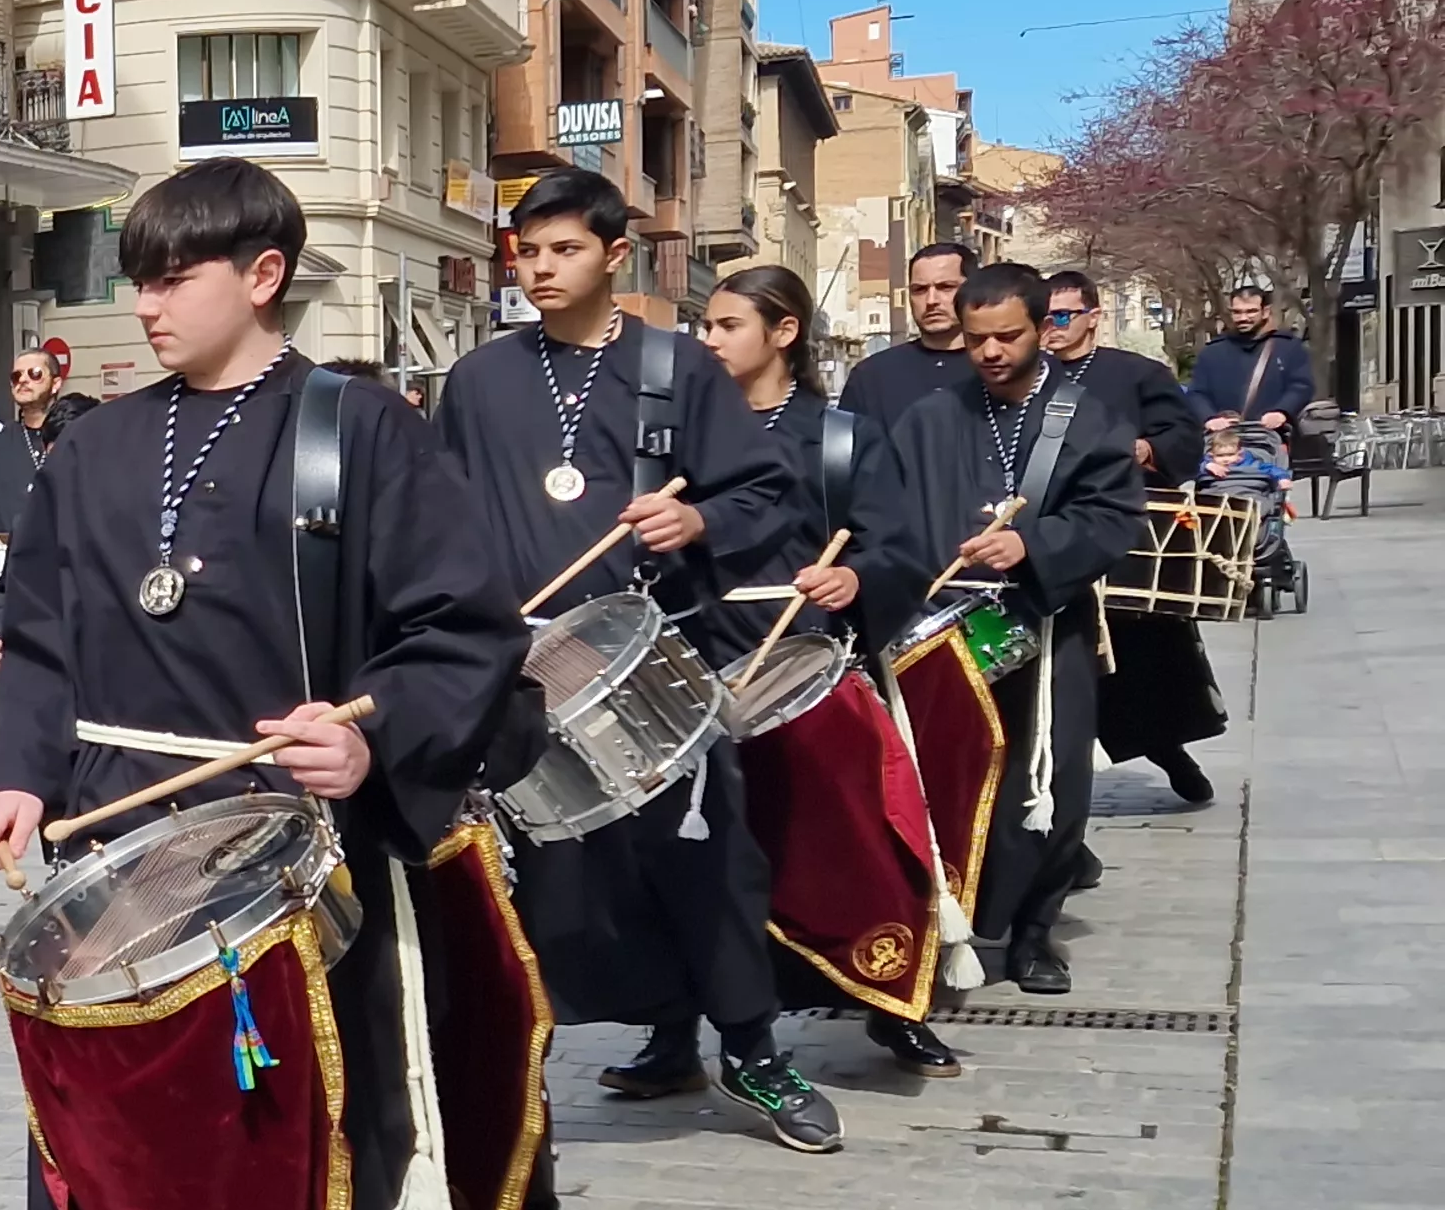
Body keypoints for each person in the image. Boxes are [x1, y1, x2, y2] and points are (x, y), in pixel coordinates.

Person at [0, 158, 539, 1210]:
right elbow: (39, 633)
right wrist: (21, 771)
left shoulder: (364, 429)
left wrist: (372, 737)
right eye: (139, 278)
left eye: (174, 277)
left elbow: (461, 632)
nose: (147, 304)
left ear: (263, 274)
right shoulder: (94, 449)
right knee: (117, 1147)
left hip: (309, 848)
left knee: (376, 1125)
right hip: (122, 845)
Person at [439, 169, 836, 1158]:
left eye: (564, 249)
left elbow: (764, 491)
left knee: (706, 861)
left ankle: (751, 1049)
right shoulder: (479, 379)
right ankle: (643, 1041)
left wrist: (695, 519)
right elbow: (438, 517)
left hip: (653, 657)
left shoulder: (675, 365)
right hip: (529, 670)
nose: (540, 268)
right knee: (561, 879)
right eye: (528, 251)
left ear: (616, 255)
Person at [697, 266, 963, 1079]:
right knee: (694, 863)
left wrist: (855, 577)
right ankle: (675, 1031)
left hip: (809, 667)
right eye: (706, 326)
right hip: (702, 665)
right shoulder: (684, 434)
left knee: (857, 848)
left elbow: (901, 546)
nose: (709, 341)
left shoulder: (842, 438)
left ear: (784, 333)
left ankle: (894, 1002)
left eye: (728, 326)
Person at [868, 263, 1151, 996]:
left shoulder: (1086, 418)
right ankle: (949, 918)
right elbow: (886, 517)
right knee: (951, 776)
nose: (991, 352)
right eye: (976, 339)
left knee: (1048, 777)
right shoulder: (929, 419)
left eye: (1007, 336)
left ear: (1042, 328)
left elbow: (1115, 518)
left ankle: (1033, 931)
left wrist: (1033, 545)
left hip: (1046, 623)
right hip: (946, 627)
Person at [1043, 273, 1229, 807]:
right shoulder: (1028, 378)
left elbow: (1182, 435)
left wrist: (1146, 450)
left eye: (1063, 316)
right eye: (1044, 317)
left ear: (1093, 316)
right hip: (1050, 532)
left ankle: (1170, 752)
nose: (1052, 327)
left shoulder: (1137, 373)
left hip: (1125, 536)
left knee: (1139, 659)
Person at [837, 243, 978, 433]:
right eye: (919, 290)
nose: (931, 301)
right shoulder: (871, 376)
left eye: (946, 287)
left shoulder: (996, 368)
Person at [1184, 285, 1316, 445]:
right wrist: (1209, 418)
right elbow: (1197, 392)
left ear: (1265, 312)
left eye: (1251, 311)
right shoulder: (1212, 351)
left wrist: (1282, 411)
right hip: (1223, 443)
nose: (1243, 318)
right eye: (1237, 312)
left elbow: (1301, 386)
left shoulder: (1288, 347)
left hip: (1273, 439)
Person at [0, 349, 60, 536]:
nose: (23, 380)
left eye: (35, 374)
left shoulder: (75, 438)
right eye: (16, 376)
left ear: (55, 384)